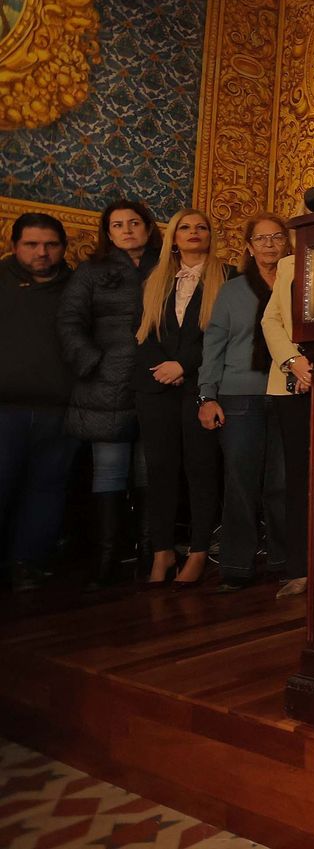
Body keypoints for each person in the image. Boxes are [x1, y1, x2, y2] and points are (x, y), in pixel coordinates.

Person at [58, 200, 159, 587]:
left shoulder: (166, 266)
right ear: (108, 232)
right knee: (110, 473)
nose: (127, 230)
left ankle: (151, 556)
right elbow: (69, 320)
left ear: (148, 228)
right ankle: (107, 560)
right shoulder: (91, 271)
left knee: (152, 472)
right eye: (117, 225)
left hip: (156, 379)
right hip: (104, 382)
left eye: (134, 223)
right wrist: (93, 361)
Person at [134, 209, 230, 587]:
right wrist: (162, 366)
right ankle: (161, 552)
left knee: (201, 471)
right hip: (155, 388)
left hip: (200, 388)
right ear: (173, 237)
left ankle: (199, 551)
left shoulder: (227, 277)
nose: (193, 233)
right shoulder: (154, 278)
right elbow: (139, 334)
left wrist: (183, 366)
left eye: (201, 227)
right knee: (159, 472)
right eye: (185, 228)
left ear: (210, 235)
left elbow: (222, 336)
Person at [197, 213, 293, 592]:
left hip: (288, 390)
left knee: (283, 483)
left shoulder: (299, 282)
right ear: (249, 248)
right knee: (240, 481)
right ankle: (236, 566)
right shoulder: (232, 290)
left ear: (287, 243)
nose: (269, 244)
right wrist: (206, 395)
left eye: (277, 237)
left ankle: (287, 561)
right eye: (261, 239)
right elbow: (213, 345)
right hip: (240, 394)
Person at [0, 214, 78, 591]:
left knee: (46, 491)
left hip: (60, 411)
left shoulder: (79, 287)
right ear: (14, 245)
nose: (42, 252)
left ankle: (27, 565)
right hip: (4, 410)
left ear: (64, 247)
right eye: (32, 244)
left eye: (51, 244)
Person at [260, 251, 309, 598]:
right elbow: (271, 320)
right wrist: (294, 361)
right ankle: (301, 568)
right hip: (291, 382)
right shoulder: (289, 263)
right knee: (298, 476)